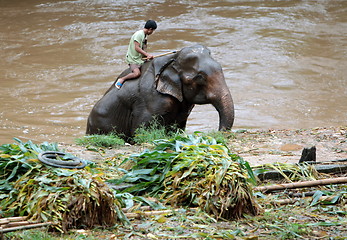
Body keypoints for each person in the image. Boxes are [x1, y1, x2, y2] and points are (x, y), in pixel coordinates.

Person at [115, 20, 157, 89]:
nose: (152, 32)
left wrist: (146, 56)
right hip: (133, 58)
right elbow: (136, 48)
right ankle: (122, 79)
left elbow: (143, 48)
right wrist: (147, 54)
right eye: (153, 31)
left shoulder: (144, 36)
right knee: (136, 73)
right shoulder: (139, 34)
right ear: (150, 29)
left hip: (139, 57)